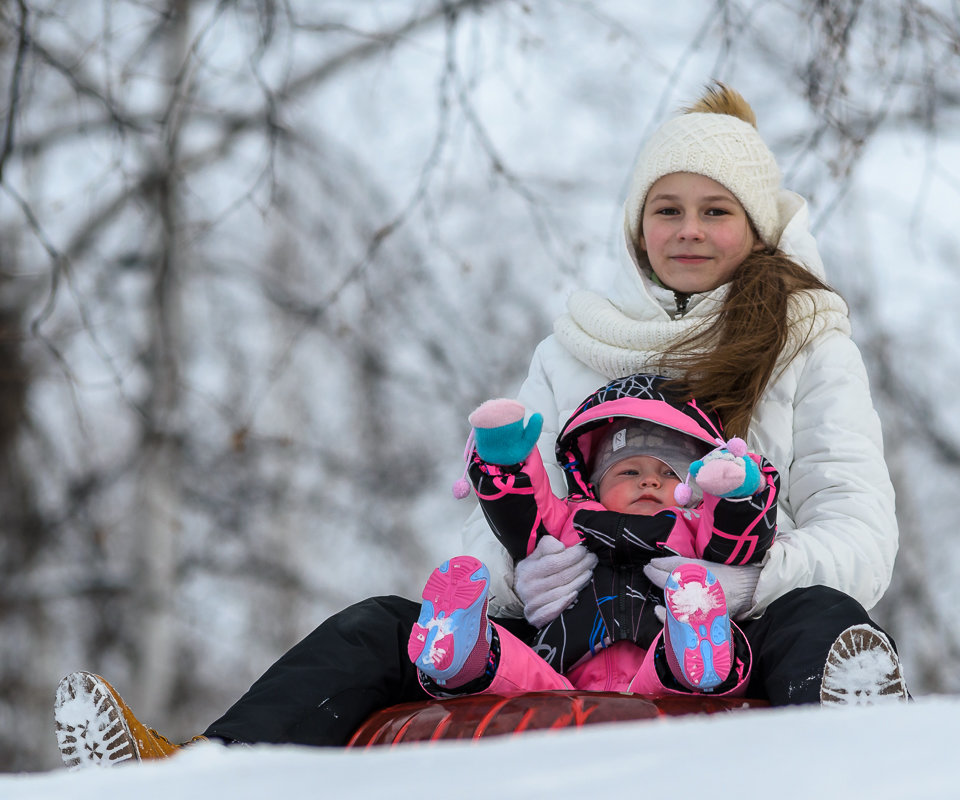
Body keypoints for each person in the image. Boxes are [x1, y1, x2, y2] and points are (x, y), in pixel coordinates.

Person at [54, 81, 908, 769]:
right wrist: (526, 574)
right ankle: (198, 772)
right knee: (386, 623)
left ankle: (874, 760)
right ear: (635, 225)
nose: (688, 230)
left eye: (715, 210)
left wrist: (748, 584)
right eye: (666, 208)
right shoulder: (575, 348)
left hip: (729, 621)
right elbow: (505, 494)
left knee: (823, 611)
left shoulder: (807, 342)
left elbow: (858, 530)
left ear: (753, 227)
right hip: (571, 620)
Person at [410, 372, 779, 697]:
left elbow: (736, 541)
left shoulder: (693, 525)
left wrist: (740, 493)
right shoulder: (572, 518)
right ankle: (466, 651)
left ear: (693, 488)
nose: (649, 480)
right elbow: (524, 515)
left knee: (683, 662)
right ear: (595, 483)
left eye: (668, 474)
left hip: (664, 663)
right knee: (521, 671)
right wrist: (503, 463)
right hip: (561, 669)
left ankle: (696, 644)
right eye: (629, 472)